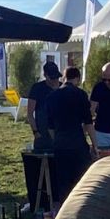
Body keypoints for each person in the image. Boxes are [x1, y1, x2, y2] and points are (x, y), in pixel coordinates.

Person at [45, 66, 97, 203]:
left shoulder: (52, 96)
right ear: (77, 78)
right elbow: (88, 123)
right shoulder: (80, 95)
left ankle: (64, 212)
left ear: (64, 78)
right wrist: (95, 146)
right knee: (81, 182)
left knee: (63, 184)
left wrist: (56, 141)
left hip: (60, 145)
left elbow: (50, 127)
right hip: (78, 145)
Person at [26, 60, 62, 152]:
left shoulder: (63, 88)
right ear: (45, 75)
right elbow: (30, 113)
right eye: (52, 78)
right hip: (43, 134)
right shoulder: (37, 88)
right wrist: (36, 132)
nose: (55, 80)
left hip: (60, 133)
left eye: (56, 77)